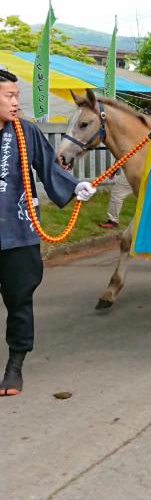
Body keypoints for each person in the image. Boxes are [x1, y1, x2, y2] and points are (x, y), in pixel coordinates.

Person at [0, 69, 97, 396]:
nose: (16, 102)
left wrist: (76, 186)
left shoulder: (25, 132)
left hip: (18, 230)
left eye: (16, 95)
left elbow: (49, 166)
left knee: (19, 298)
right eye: (9, 96)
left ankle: (15, 366)